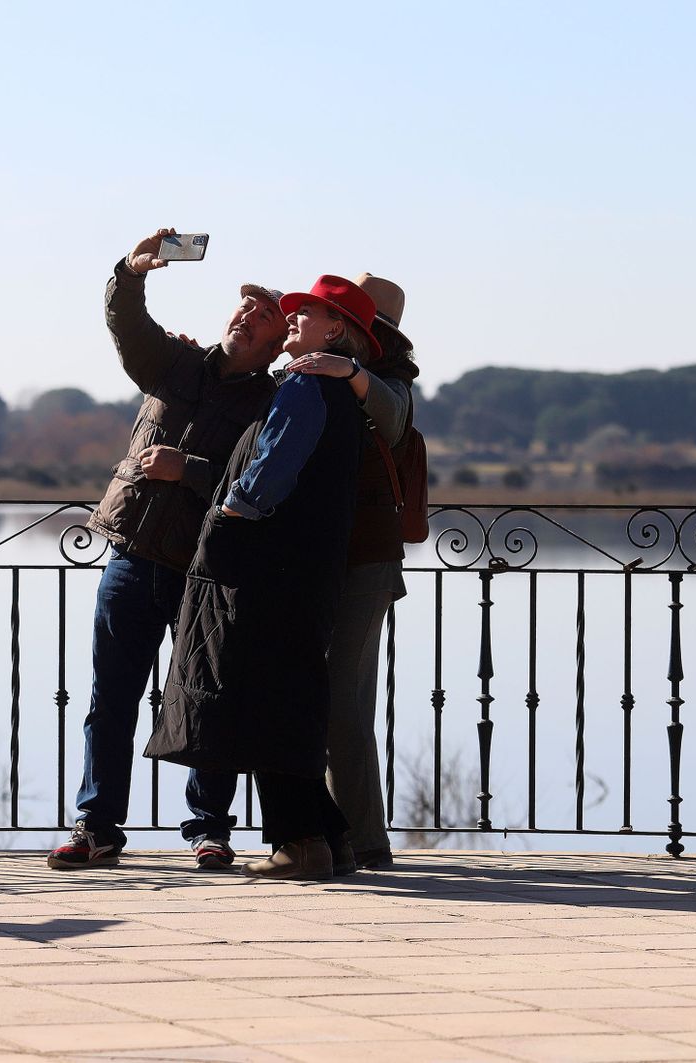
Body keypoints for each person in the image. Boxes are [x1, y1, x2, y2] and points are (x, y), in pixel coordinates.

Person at [47, 228, 289, 871]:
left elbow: (262, 483)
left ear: (275, 342)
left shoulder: (272, 404)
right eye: (243, 306)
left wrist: (191, 470)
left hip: (207, 571)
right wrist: (131, 270)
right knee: (110, 701)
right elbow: (126, 323)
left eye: (264, 315)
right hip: (130, 557)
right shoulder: (174, 364)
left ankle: (209, 830)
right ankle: (96, 828)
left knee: (206, 700)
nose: (246, 316)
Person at [144, 275, 381, 880]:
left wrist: (234, 508)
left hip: (267, 566)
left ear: (336, 330)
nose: (294, 319)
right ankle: (329, 838)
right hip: (305, 569)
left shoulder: (305, 384)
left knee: (263, 699)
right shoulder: (343, 396)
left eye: (308, 313)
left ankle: (299, 843)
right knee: (288, 696)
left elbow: (275, 464)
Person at [284, 273, 418, 873]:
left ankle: (364, 841)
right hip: (322, 559)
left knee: (343, 701)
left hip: (367, 561)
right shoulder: (311, 374)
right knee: (327, 698)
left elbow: (391, 419)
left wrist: (353, 376)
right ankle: (340, 836)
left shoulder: (387, 383)